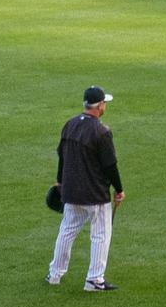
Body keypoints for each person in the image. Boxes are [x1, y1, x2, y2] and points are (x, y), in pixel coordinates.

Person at [48, 86, 124, 292]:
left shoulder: (70, 125)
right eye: (104, 103)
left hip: (71, 191)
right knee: (100, 234)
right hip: (95, 194)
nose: (105, 106)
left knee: (67, 231)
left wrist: (59, 182)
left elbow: (61, 156)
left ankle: (54, 274)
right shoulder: (102, 132)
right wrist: (119, 189)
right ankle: (94, 280)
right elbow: (110, 166)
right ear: (99, 106)